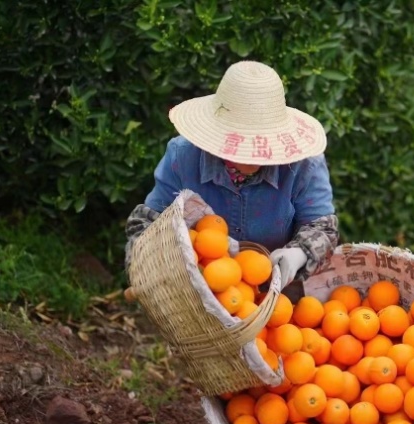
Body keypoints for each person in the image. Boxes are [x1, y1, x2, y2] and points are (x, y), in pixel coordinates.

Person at [125, 61, 339, 288]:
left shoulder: (304, 165)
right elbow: (147, 225)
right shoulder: (183, 157)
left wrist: (298, 253)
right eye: (243, 145)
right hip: (198, 291)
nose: (251, 156)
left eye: (259, 144)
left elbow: (323, 228)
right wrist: (150, 269)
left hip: (278, 297)